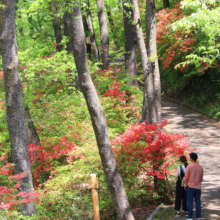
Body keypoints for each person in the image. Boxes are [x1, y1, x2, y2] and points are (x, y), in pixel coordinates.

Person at [185, 152, 203, 220]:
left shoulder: (189, 166)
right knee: (198, 201)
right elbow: (201, 178)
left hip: (190, 186)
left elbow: (186, 177)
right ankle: (198, 216)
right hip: (198, 187)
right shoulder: (200, 167)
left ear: (191, 158)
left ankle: (190, 217)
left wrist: (185, 184)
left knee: (190, 201)